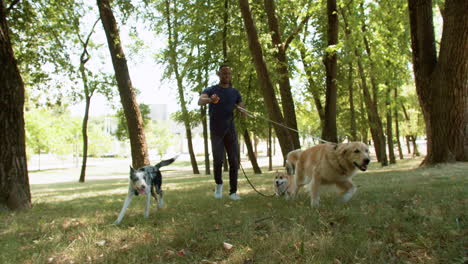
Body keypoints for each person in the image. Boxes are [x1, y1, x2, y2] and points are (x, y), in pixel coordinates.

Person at [198, 65, 246, 200]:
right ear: (218, 74)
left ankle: (233, 192)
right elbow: (200, 101)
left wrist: (243, 111)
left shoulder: (234, 92)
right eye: (224, 73)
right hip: (216, 131)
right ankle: (219, 185)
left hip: (230, 131)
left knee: (234, 161)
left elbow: (240, 105)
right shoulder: (211, 90)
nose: (226, 75)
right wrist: (210, 100)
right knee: (218, 160)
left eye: (228, 73)